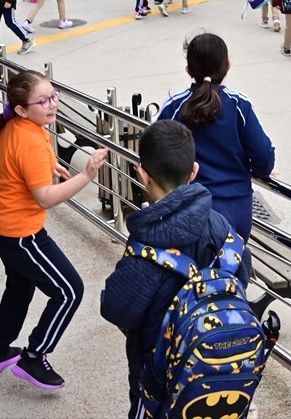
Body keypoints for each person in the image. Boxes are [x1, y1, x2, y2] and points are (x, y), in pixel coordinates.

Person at [0, 70, 108, 390]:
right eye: (43, 101)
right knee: (69, 291)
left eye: (54, 96)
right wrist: (85, 175)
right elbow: (45, 198)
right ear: (21, 109)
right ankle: (34, 356)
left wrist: (48, 166)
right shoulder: (30, 138)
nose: (52, 104)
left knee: (20, 286)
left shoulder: (16, 126)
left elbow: (16, 163)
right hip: (19, 234)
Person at [100, 121, 251, 419]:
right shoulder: (222, 227)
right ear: (194, 171)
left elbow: (116, 309)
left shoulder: (145, 247)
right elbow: (242, 276)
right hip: (221, 372)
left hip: (158, 376)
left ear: (142, 173)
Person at [156, 33, 275, 241]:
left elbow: (154, 152)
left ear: (188, 70)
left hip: (191, 209)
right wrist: (261, 171)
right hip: (238, 209)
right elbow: (263, 154)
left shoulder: (174, 107)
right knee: (234, 259)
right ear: (228, 66)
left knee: (198, 261)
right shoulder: (239, 104)